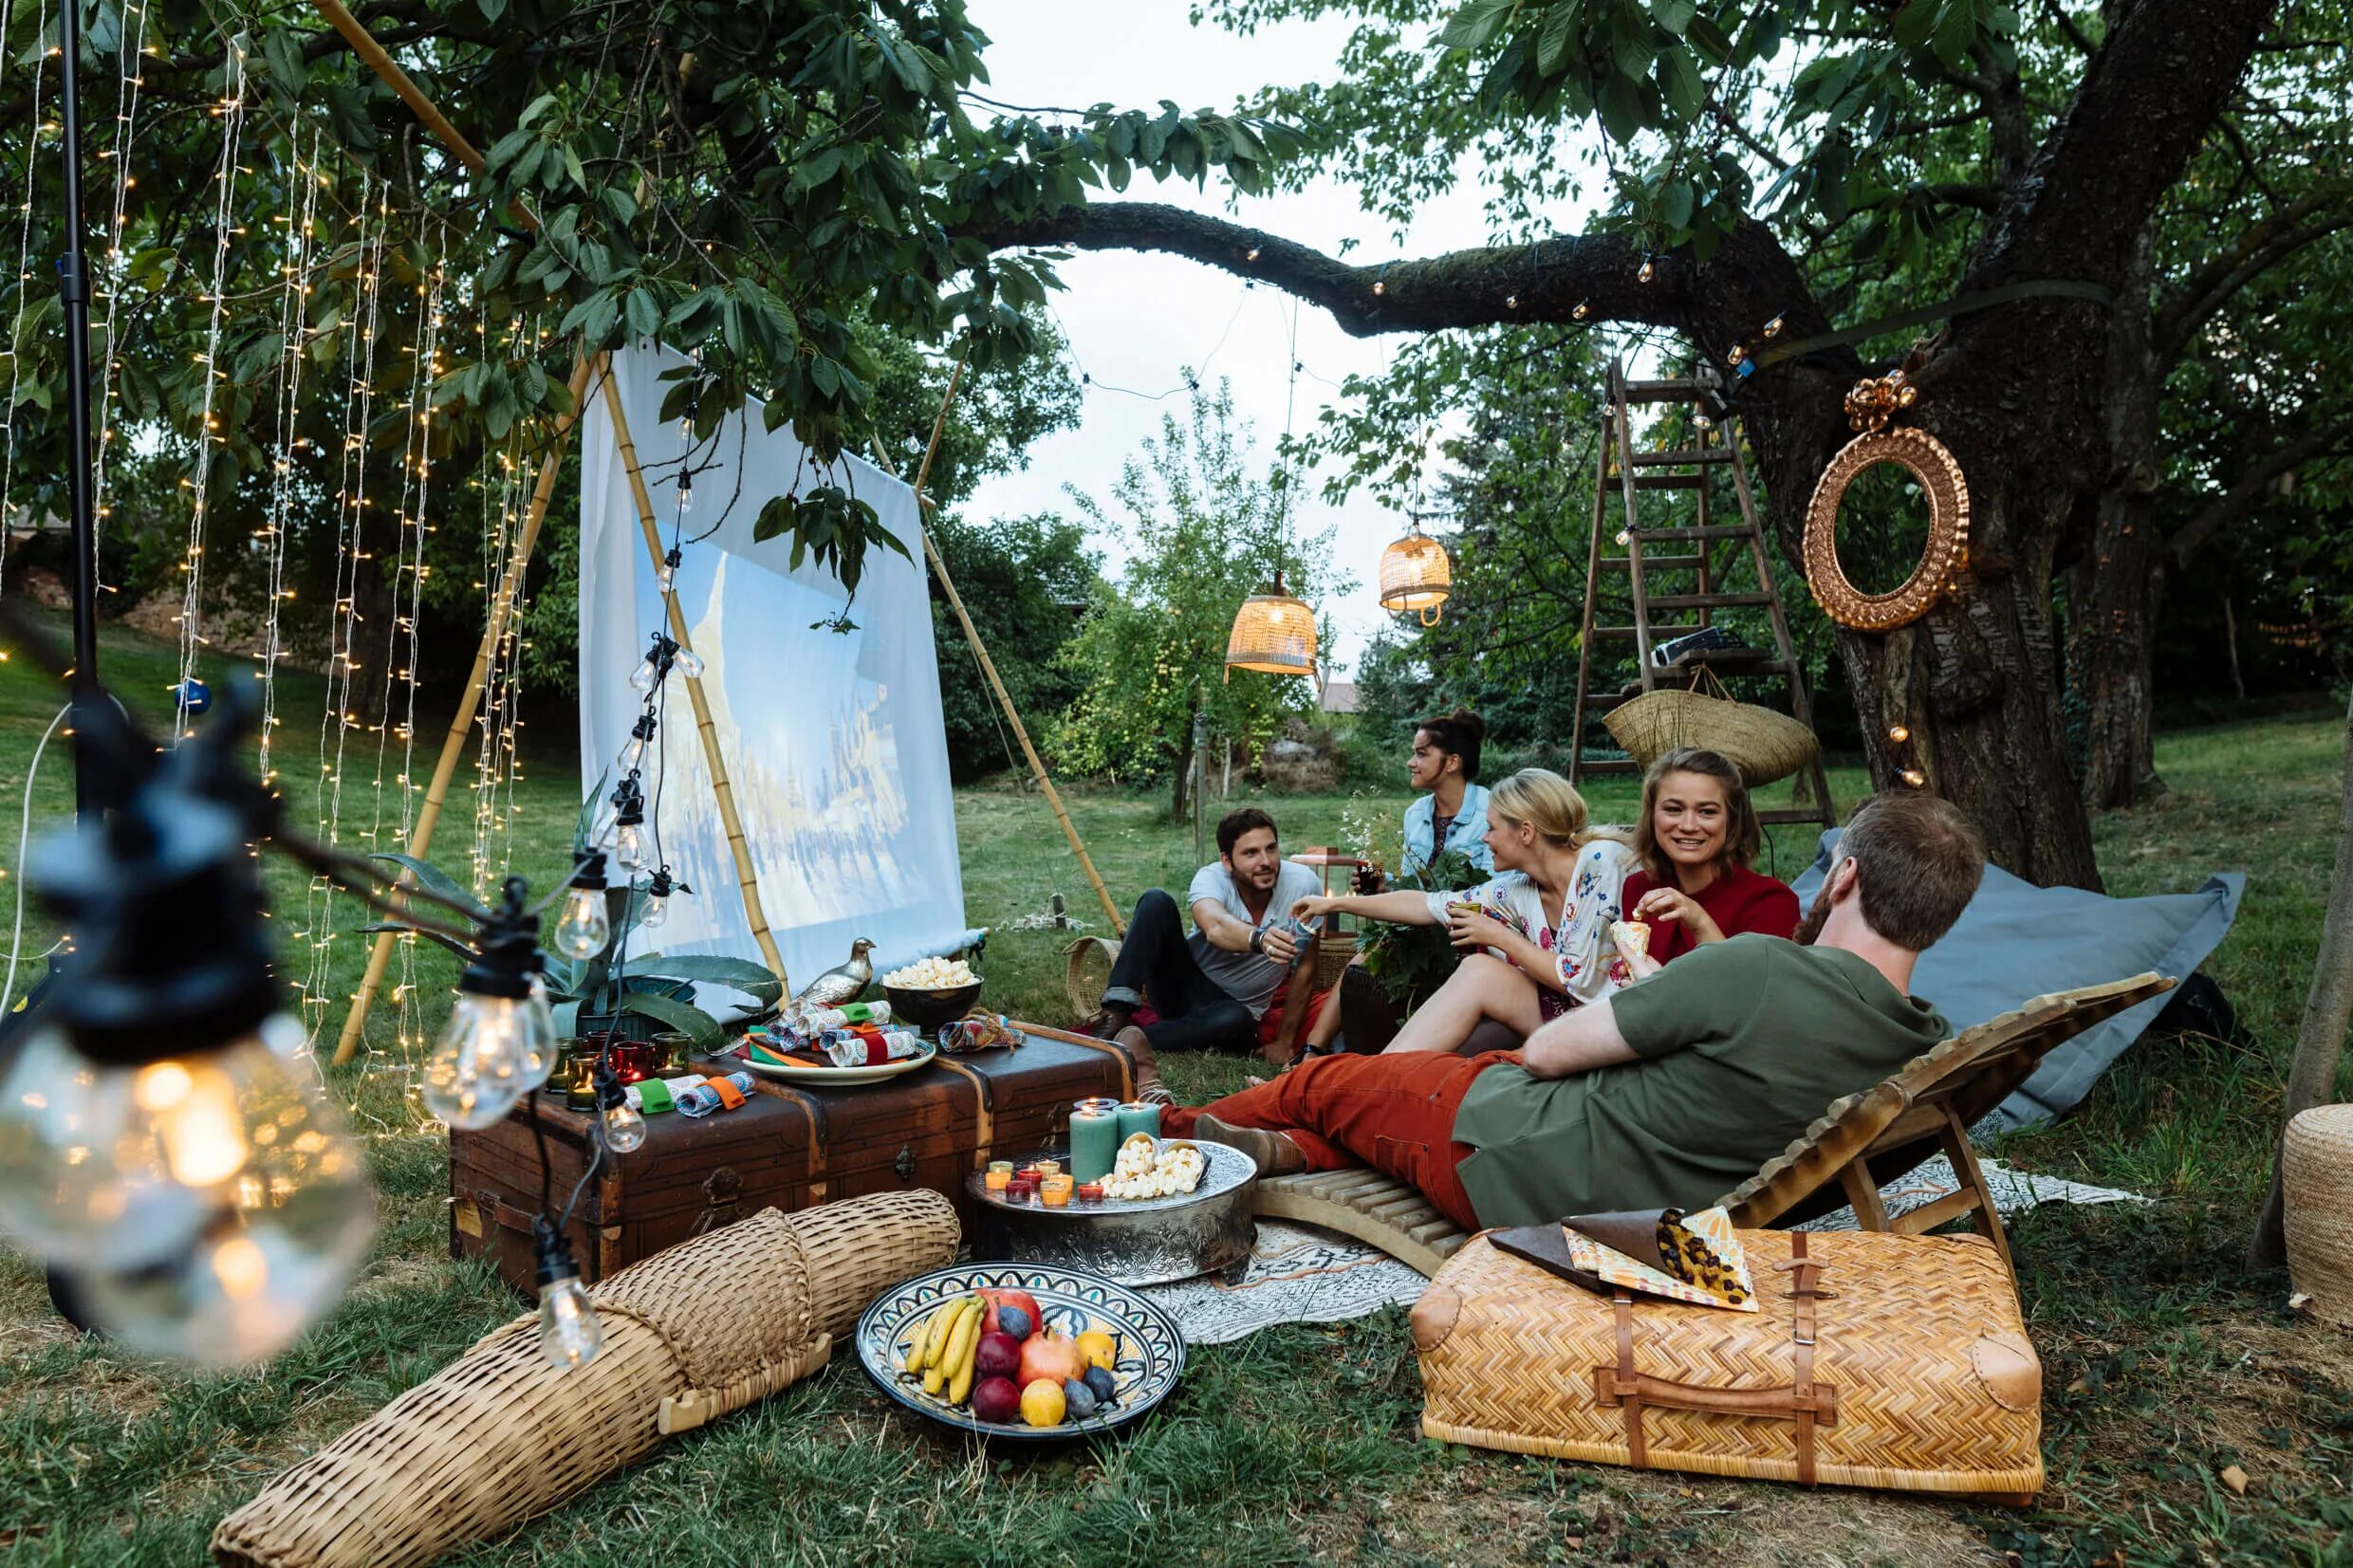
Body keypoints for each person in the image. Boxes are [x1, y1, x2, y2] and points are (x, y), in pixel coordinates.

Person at [1157, 791, 1985, 1230]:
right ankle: (1275, 1152)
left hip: (1517, 1154)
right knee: (1374, 1107)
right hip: (1629, 1185)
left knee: (1327, 1079)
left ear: (1841, 878)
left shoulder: (1757, 966)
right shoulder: (1920, 1048)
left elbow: (1550, 1053)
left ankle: (1162, 1133)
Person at [1294, 768, 1640, 1056]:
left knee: (1481, 972)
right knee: (1477, 971)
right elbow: (1426, 904)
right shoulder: (1519, 890)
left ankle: (1349, 1082)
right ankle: (1361, 1083)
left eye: (1491, 828)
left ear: (1526, 832)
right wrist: (1334, 903)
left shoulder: (1600, 860)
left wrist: (1498, 937)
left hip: (1615, 1020)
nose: (1485, 839)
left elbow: (1581, 979)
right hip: (1559, 1014)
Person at [1093, 807, 1330, 1089]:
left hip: (1236, 1014)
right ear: (1227, 861)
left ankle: (1129, 1039)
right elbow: (1215, 926)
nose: (1266, 861)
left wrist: (1286, 1042)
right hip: (1184, 988)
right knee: (1156, 900)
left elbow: (1306, 967)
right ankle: (1114, 1016)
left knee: (1235, 1017)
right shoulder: (1211, 878)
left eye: (1271, 849)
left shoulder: (1304, 884)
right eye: (1251, 853)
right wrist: (1259, 938)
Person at [1618, 747, 1801, 965]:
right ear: (1652, 815)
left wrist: (1700, 921)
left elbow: (1758, 993)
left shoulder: (1771, 902)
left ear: (1732, 820)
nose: (1688, 825)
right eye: (1674, 809)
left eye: (1707, 812)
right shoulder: (1638, 889)